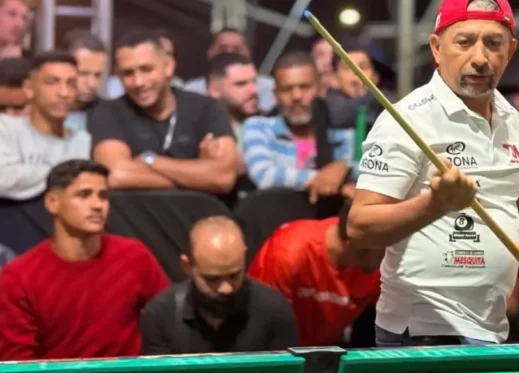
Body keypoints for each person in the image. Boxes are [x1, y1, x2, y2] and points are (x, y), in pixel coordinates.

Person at [348, 0, 519, 346]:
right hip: (421, 332)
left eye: (494, 43)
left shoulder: (511, 118)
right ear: (437, 48)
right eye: (465, 42)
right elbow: (360, 226)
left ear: (510, 51)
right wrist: (433, 205)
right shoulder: (407, 119)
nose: (481, 57)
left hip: (489, 329)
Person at [0, 160, 169, 360]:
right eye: (84, 195)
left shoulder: (135, 256)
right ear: (52, 202)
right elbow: (17, 362)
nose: (98, 205)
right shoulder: (19, 277)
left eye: (103, 196)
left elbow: (167, 322)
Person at [89, 29, 238, 194]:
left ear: (168, 66)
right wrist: (199, 179)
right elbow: (116, 175)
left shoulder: (207, 108)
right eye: (128, 73)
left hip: (199, 209)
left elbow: (224, 178)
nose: (138, 82)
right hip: (136, 210)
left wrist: (149, 160)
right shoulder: (110, 112)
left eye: (146, 69)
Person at [140, 216, 298, 355]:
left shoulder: (275, 310)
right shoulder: (160, 315)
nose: (226, 288)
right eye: (212, 279)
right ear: (187, 266)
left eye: (234, 275)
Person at [249, 204, 382, 347]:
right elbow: (262, 322)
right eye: (386, 248)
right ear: (359, 247)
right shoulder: (287, 256)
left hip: (331, 349)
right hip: (279, 349)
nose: (390, 255)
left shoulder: (374, 262)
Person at [242, 51, 356, 201]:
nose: (296, 96)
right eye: (287, 89)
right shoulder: (259, 128)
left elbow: (366, 173)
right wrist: (334, 180)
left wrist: (343, 167)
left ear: (320, 89)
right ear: (275, 94)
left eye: (304, 87)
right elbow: (264, 175)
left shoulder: (342, 135)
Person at [0, 51, 91, 201]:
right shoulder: (6, 129)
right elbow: (4, 179)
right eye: (52, 82)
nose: (64, 93)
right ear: (29, 89)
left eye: (71, 84)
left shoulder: (83, 141)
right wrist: (69, 174)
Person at [185, 28, 276, 113]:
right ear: (210, 52)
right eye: (222, 48)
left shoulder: (269, 88)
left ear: (248, 52)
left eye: (236, 49)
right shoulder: (192, 89)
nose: (229, 52)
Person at [206, 52, 260, 148]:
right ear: (214, 89)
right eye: (241, 84)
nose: (254, 90)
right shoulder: (199, 132)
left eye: (254, 82)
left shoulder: (271, 127)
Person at [63, 30, 108, 131]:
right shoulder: (37, 112)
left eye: (97, 75)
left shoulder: (110, 116)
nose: (92, 84)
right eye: (83, 73)